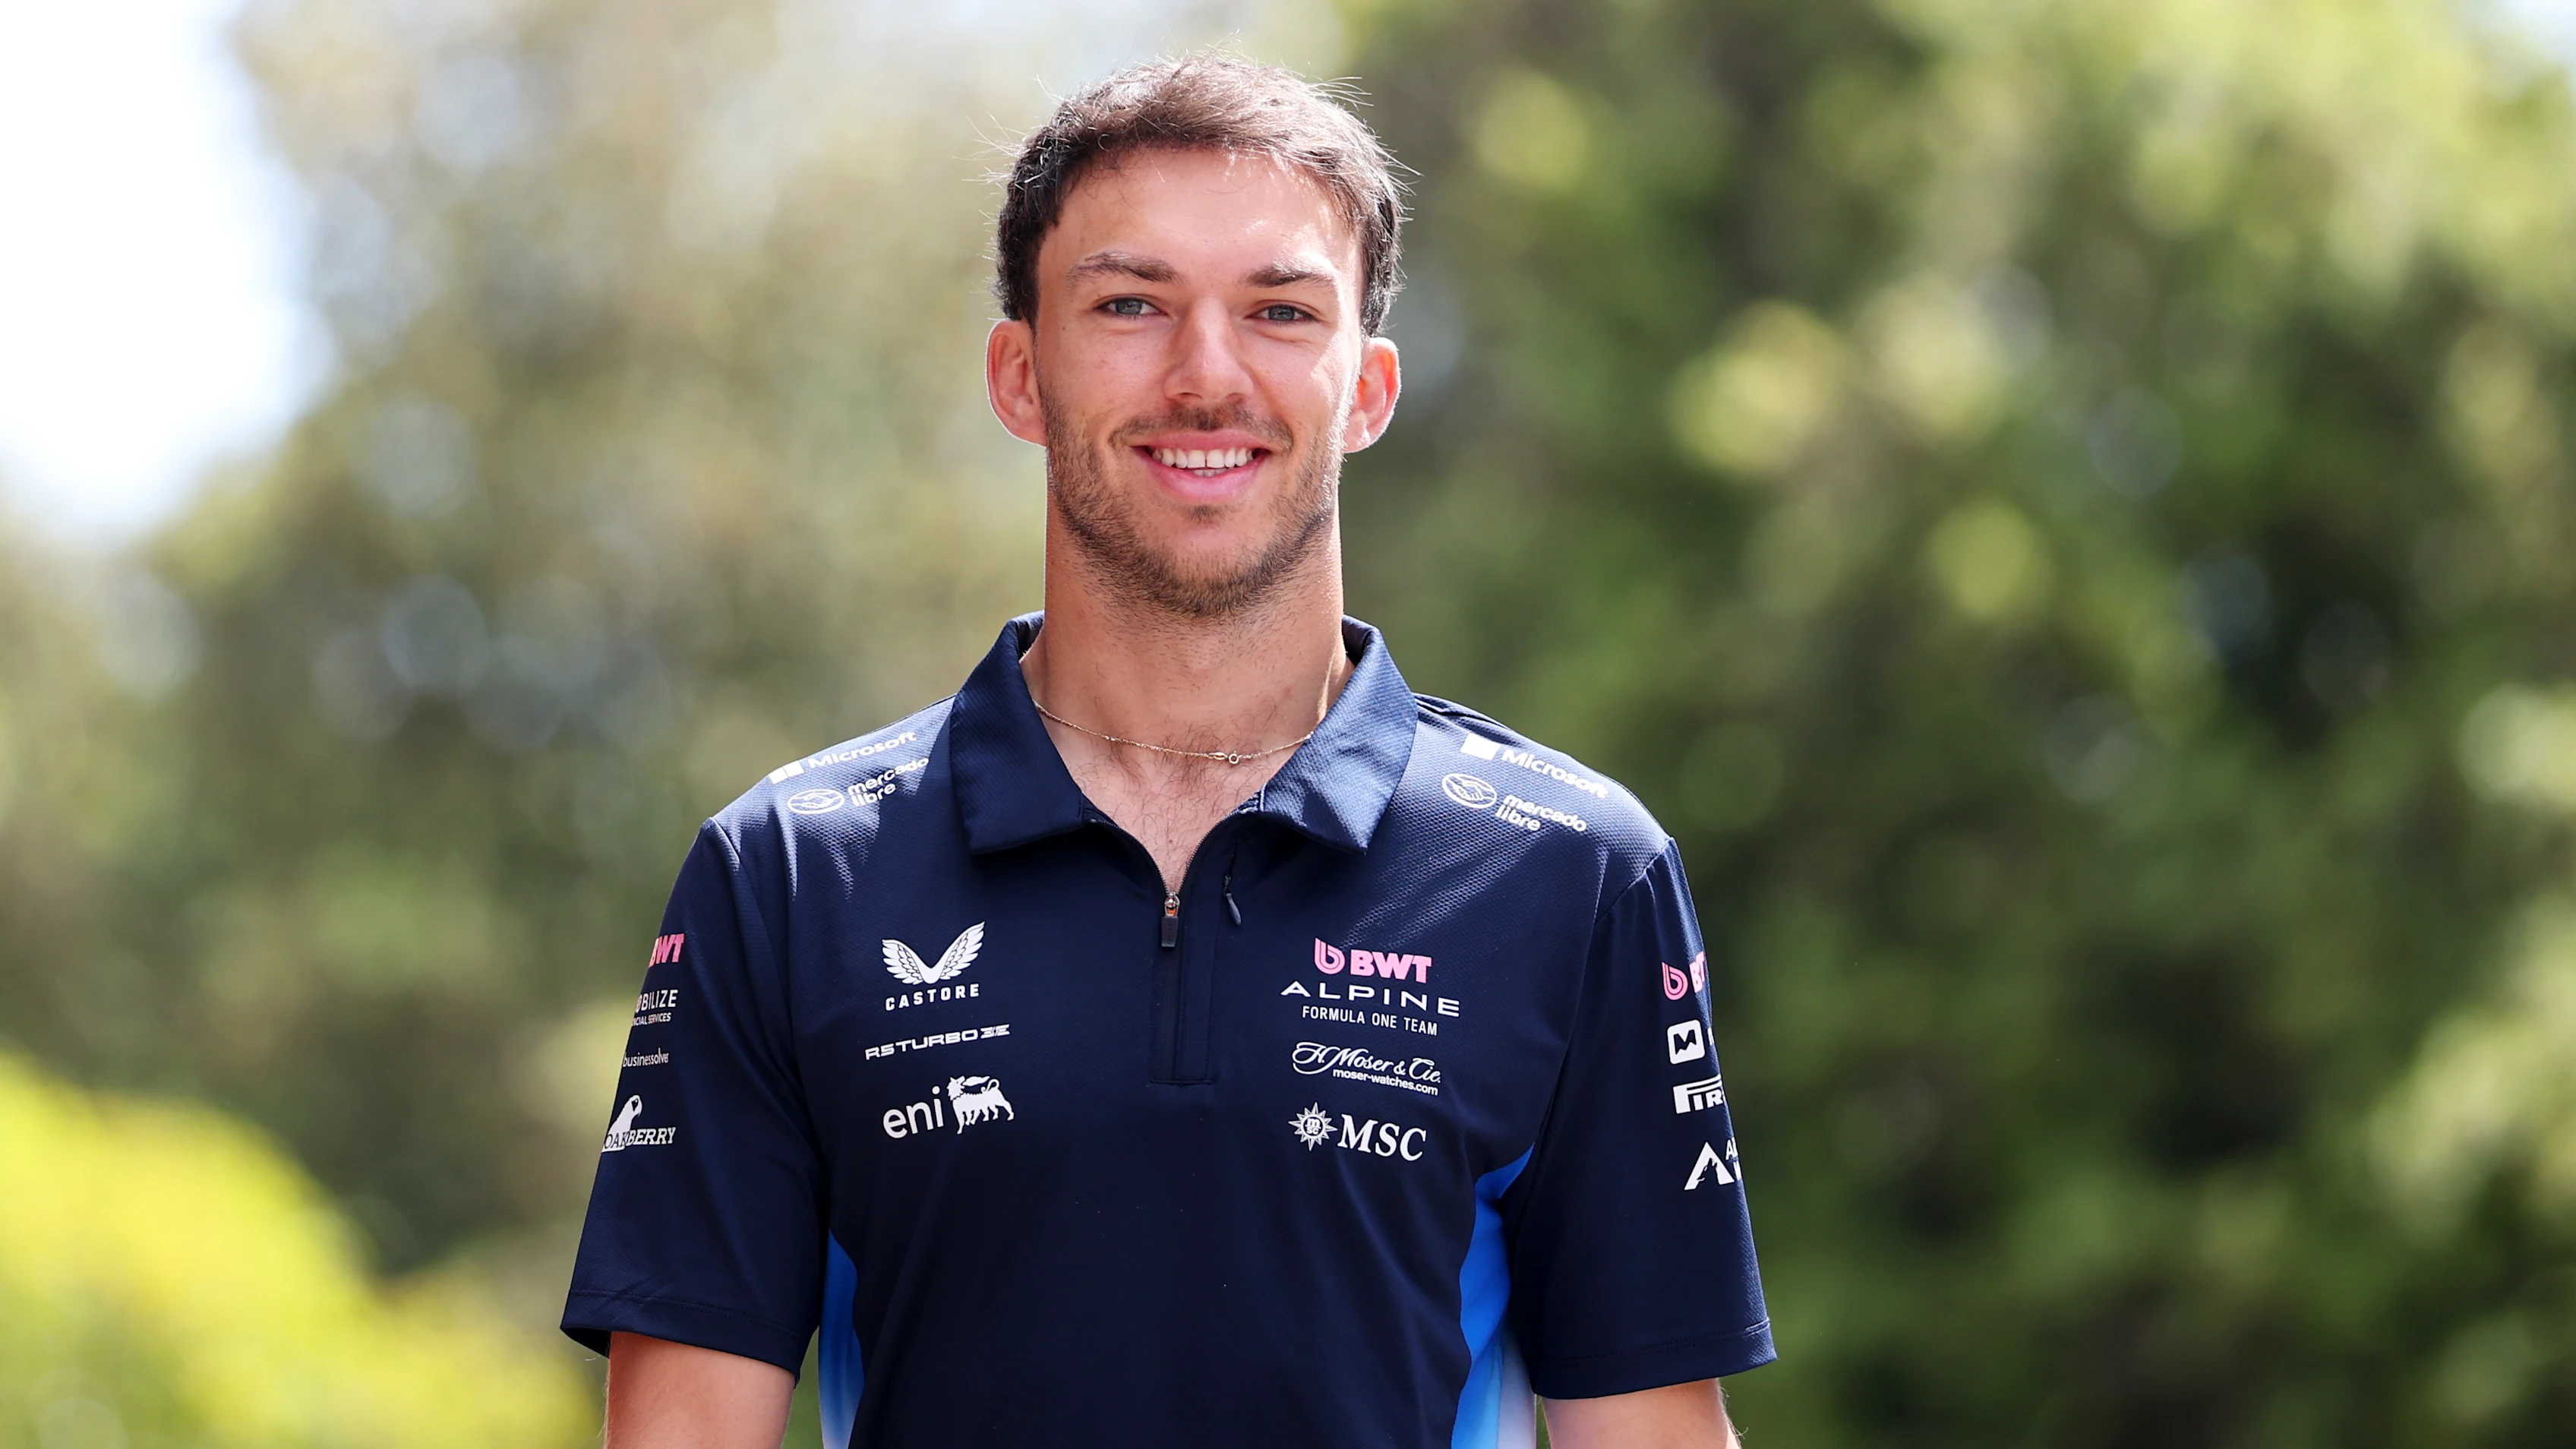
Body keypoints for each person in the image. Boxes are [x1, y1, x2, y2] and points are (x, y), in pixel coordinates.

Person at [563, 54, 1773, 1449]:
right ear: (1022, 373)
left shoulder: (1575, 876)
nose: (1208, 375)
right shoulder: (787, 878)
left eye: (1279, 310)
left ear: (1367, 389)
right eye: (1131, 305)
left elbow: (1651, 1431)